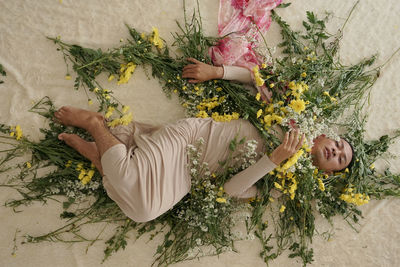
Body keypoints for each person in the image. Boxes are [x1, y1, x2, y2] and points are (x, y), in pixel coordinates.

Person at [54, 99, 352, 223]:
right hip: (191, 140)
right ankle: (95, 126)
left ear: (325, 174)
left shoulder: (283, 186)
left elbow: (231, 190)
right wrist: (217, 71)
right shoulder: (291, 118)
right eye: (338, 145)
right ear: (324, 135)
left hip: (191, 174)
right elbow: (258, 75)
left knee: (142, 212)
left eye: (340, 160)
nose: (336, 152)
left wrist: (273, 161)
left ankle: (100, 151)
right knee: (131, 182)